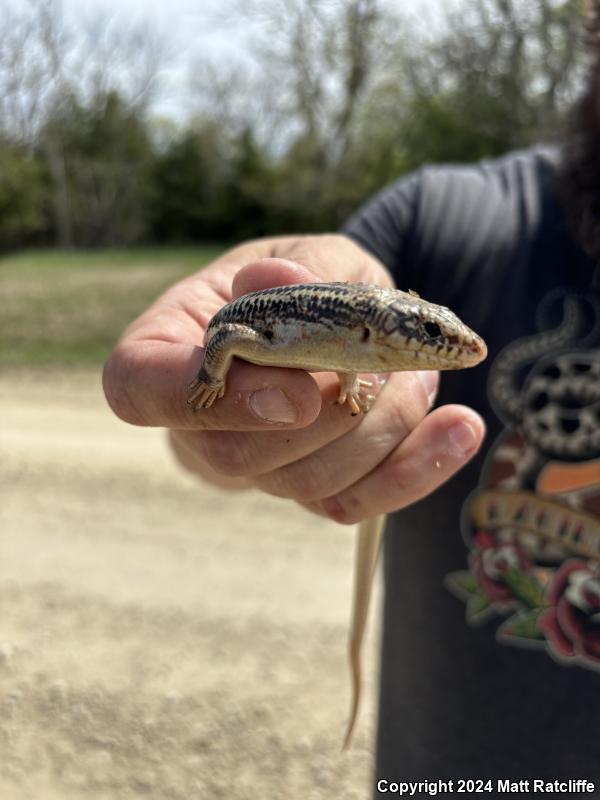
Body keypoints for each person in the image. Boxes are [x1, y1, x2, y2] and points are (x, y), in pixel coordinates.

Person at [103, 11, 600, 795]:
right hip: (452, 769)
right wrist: (222, 429)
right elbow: (211, 401)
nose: (462, 347)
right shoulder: (444, 212)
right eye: (431, 330)